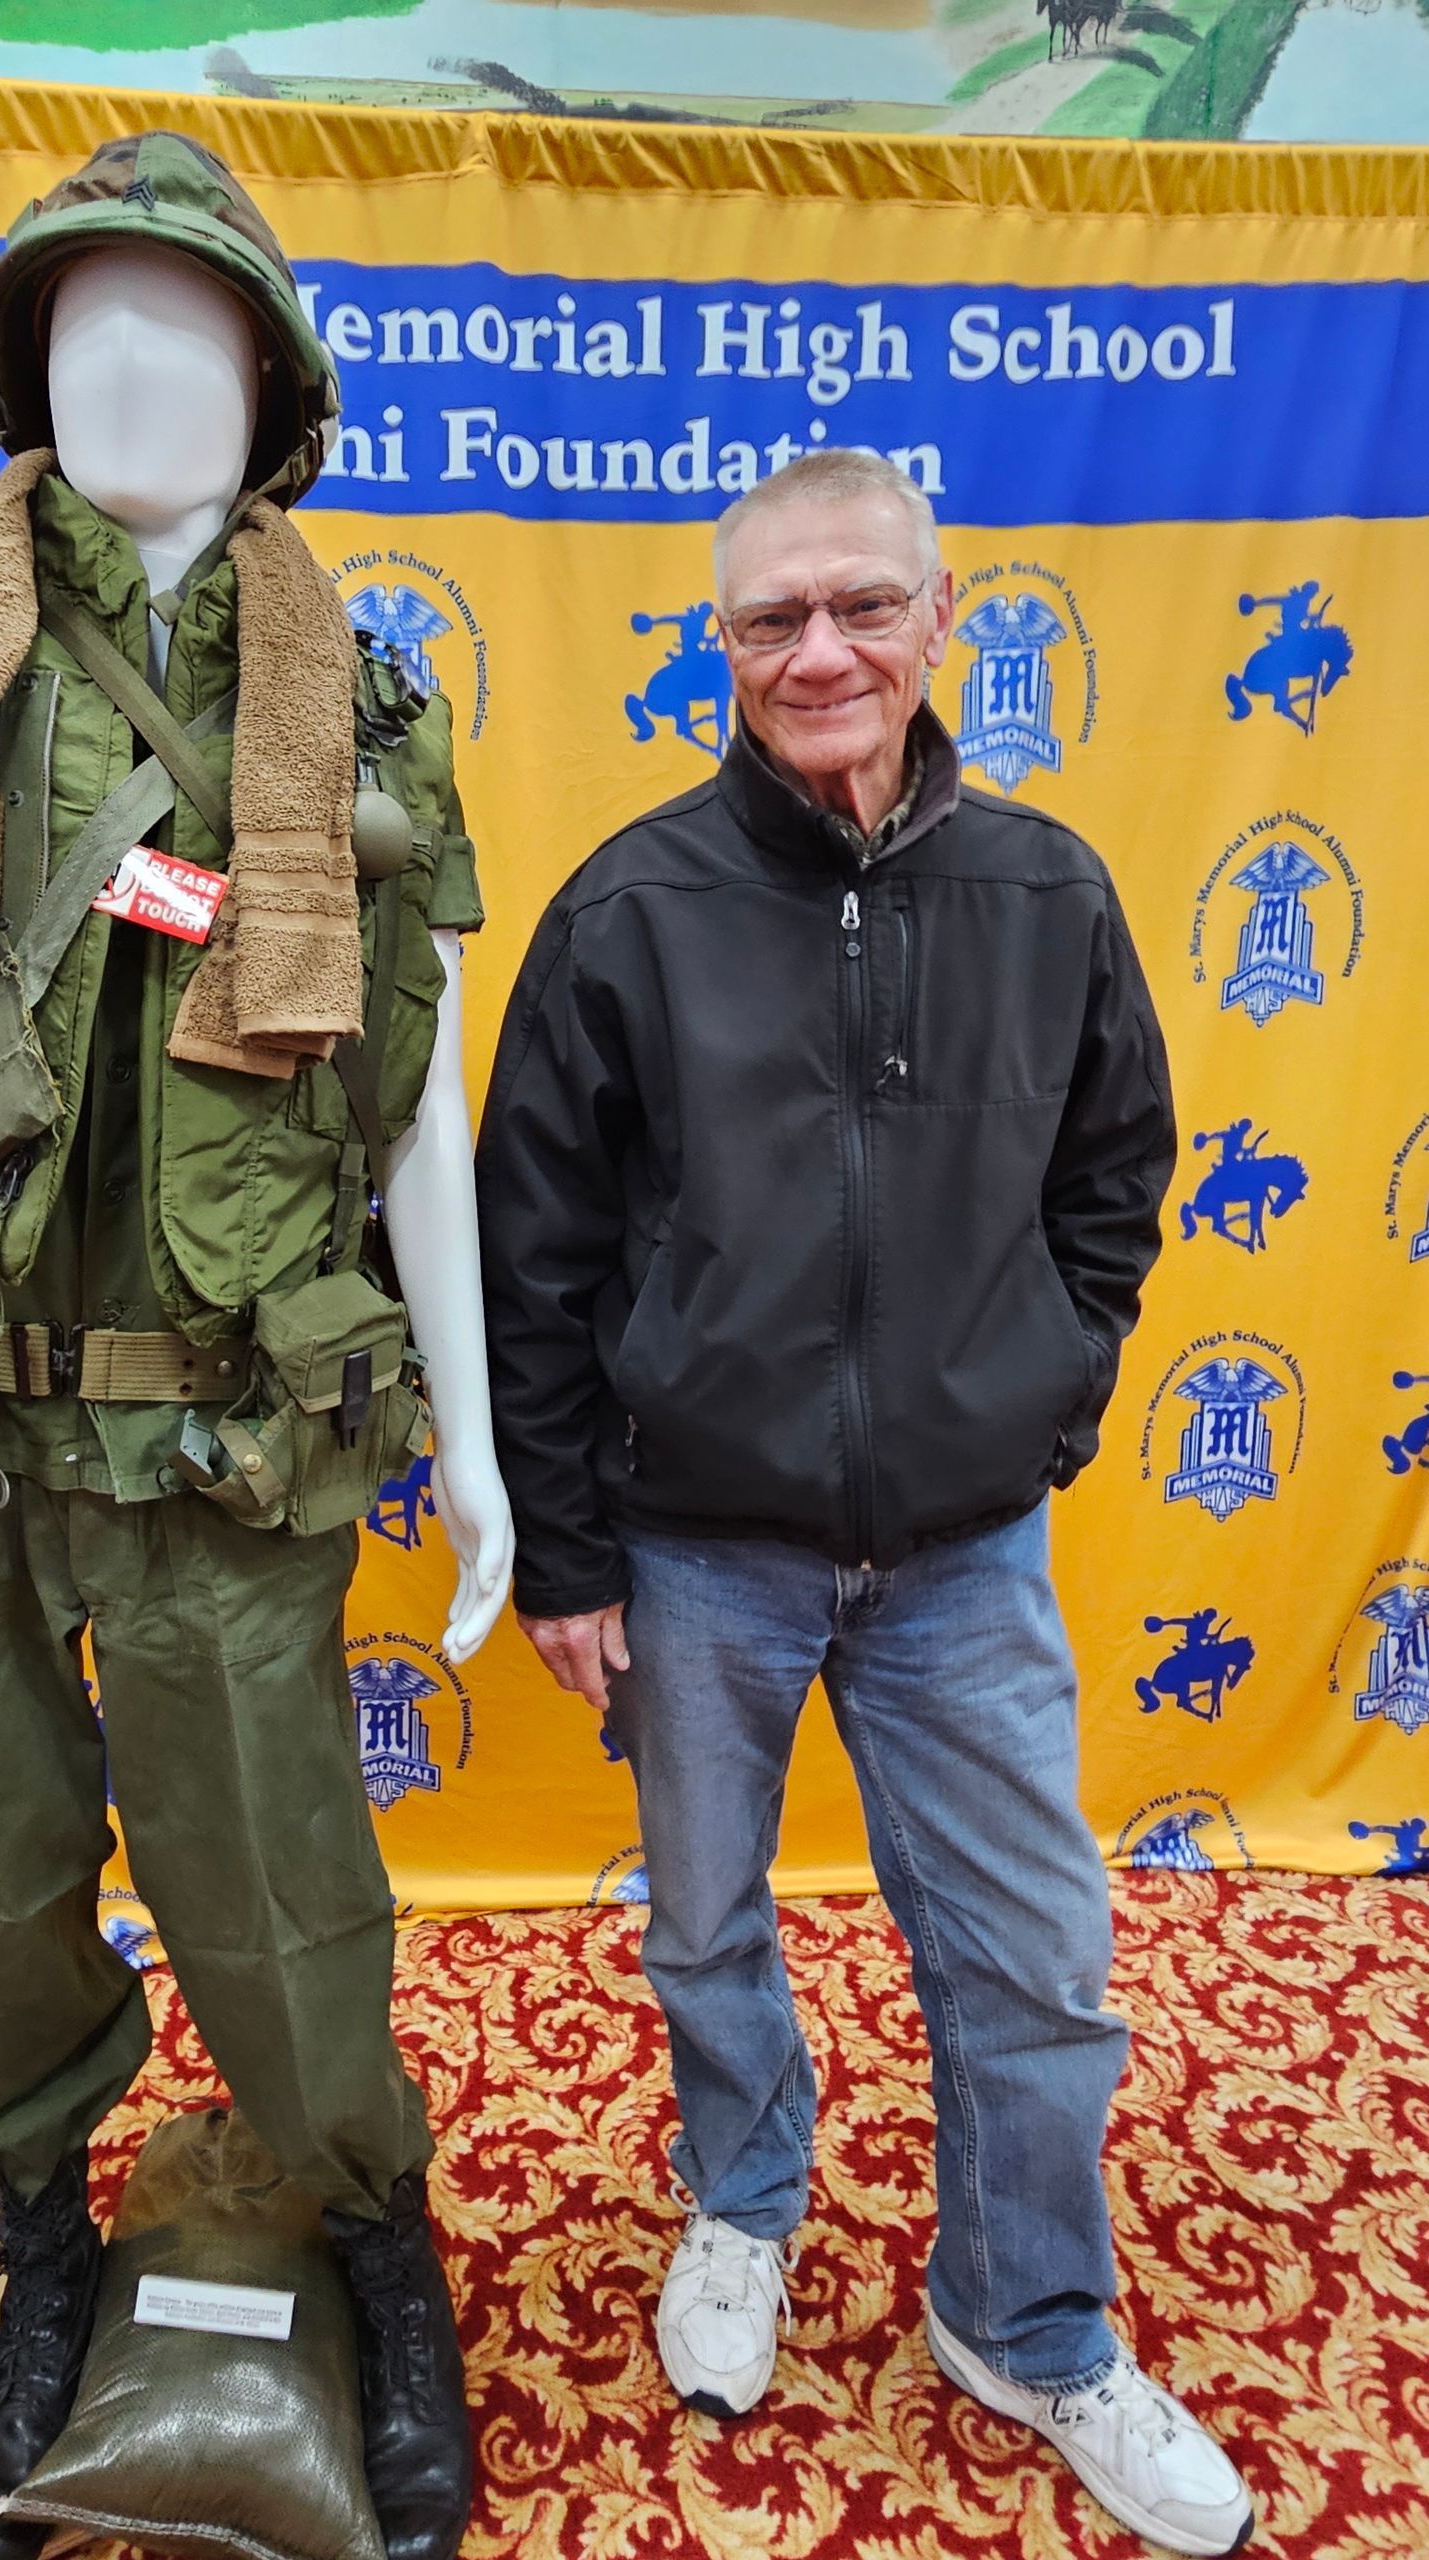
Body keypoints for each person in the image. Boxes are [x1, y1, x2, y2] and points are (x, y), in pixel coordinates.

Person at [0, 133, 512, 2560]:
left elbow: (418, 1104)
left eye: (188, 315)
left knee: (281, 1898)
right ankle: (51, 2241)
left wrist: (476, 1436)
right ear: (17, 356)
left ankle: (377, 2238)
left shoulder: (354, 705)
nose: (129, 353)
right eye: (81, 310)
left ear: (273, 385)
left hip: (237, 1426)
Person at [475, 450, 1253, 2558]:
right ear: (719, 650)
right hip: (697, 1545)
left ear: (936, 624)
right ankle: (743, 2203)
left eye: (860, 607)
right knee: (709, 1924)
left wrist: (1041, 1394)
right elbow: (527, 1246)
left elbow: (1115, 1177)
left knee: (1037, 1957)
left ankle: (1027, 2310)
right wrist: (560, 1544)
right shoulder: (629, 909)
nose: (818, 651)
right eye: (770, 620)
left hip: (964, 1553)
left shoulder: (1051, 894)